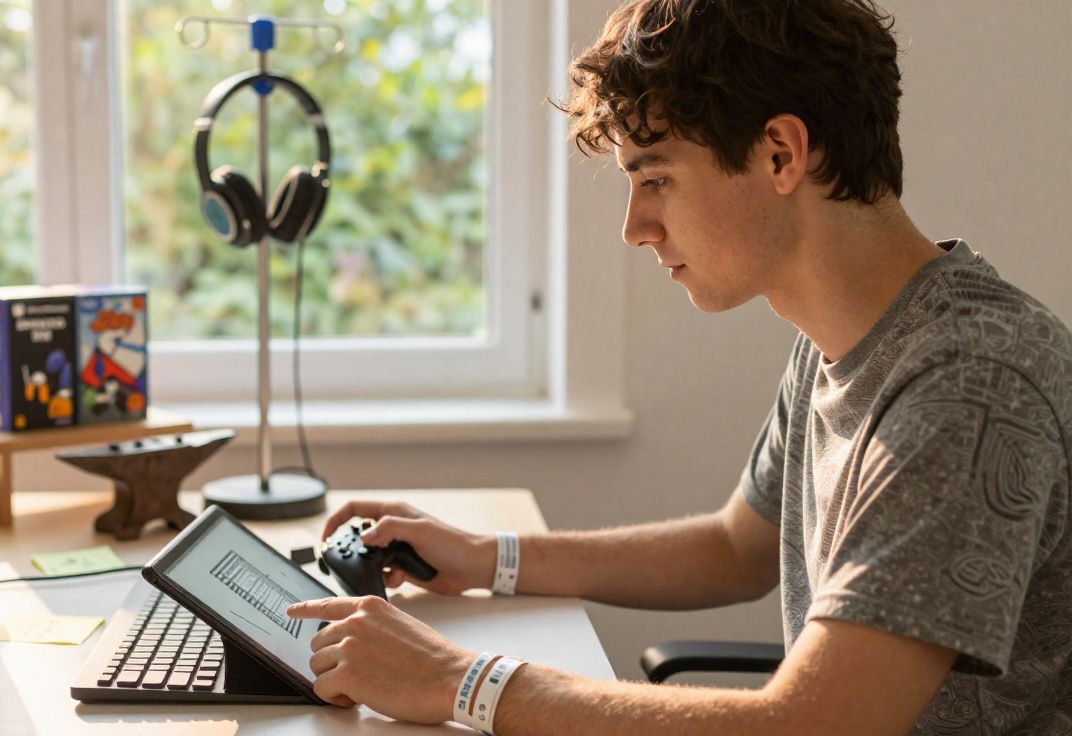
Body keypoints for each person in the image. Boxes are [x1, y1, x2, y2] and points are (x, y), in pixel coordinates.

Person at [285, 0, 1072, 732]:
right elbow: (735, 548)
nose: (635, 228)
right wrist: (489, 558)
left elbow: (814, 725)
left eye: (655, 178)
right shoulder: (847, 335)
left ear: (780, 154)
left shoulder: (972, 382)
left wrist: (461, 682)